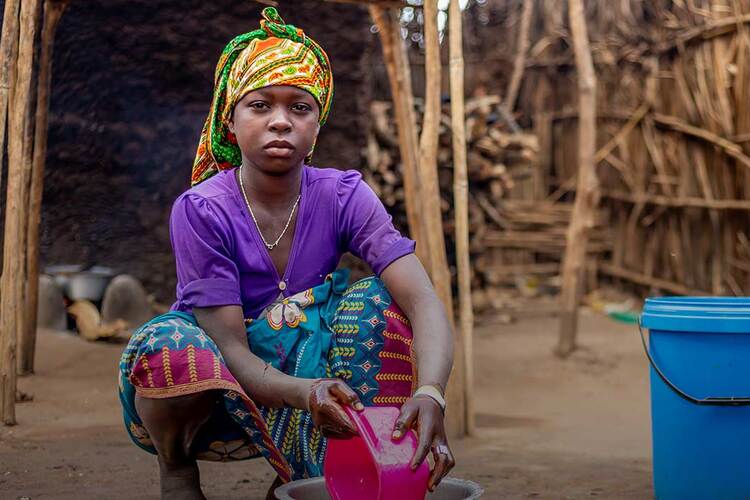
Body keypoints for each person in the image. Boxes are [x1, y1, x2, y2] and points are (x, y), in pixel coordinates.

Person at [118, 7, 455, 499]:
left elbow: (423, 299)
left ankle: (310, 474)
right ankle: (177, 468)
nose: (280, 121)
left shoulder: (343, 194)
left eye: (300, 107)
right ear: (229, 121)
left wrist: (431, 393)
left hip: (308, 362)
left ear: (317, 126)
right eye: (259, 106)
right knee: (168, 346)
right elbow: (231, 348)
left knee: (379, 304)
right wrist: (306, 392)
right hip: (226, 381)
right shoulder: (201, 209)